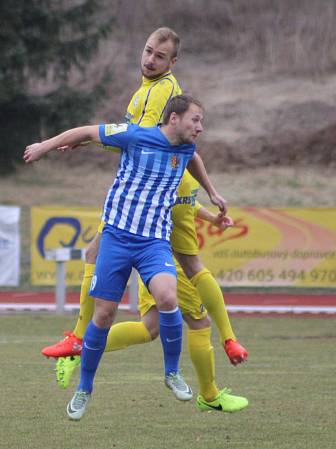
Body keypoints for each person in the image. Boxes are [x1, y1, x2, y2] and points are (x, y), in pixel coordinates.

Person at [41, 27, 248, 387]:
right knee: (153, 322)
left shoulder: (164, 91)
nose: (150, 59)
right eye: (148, 51)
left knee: (191, 303)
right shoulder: (147, 88)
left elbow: (150, 143)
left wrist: (88, 141)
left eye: (159, 56)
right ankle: (81, 344)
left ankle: (214, 375)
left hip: (162, 200)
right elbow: (137, 139)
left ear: (172, 62)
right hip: (159, 197)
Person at [24, 94, 224, 420]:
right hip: (116, 238)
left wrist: (212, 192)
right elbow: (88, 132)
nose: (200, 127)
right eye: (195, 120)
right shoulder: (135, 135)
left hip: (154, 243)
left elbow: (194, 159)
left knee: (167, 297)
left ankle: (172, 373)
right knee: (103, 316)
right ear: (173, 119)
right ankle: (84, 389)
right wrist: (45, 147)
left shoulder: (185, 147)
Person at [56, 203, 249, 413]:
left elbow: (188, 199)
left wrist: (211, 218)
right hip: (171, 262)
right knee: (199, 322)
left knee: (150, 327)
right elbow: (183, 195)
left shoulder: (157, 180)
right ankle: (210, 395)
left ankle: (79, 350)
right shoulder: (170, 173)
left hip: (152, 260)